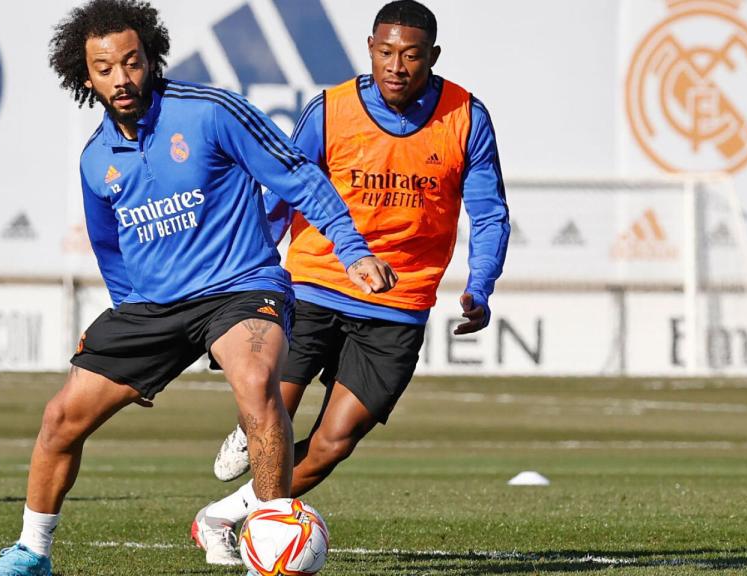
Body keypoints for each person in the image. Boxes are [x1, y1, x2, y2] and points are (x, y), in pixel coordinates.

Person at [0, 1, 397, 574]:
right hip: (154, 309)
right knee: (59, 420)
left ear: (151, 57)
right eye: (105, 68)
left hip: (240, 286)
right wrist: (136, 338)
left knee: (256, 382)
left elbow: (296, 174)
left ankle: (271, 543)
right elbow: (112, 252)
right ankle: (31, 554)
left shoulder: (211, 111)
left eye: (132, 62)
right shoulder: (96, 160)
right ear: (84, 74)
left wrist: (352, 249)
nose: (122, 78)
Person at [194, 0, 510, 564]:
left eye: (411, 56)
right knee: (270, 411)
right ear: (369, 48)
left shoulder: (467, 117)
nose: (396, 65)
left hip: (399, 305)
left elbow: (488, 214)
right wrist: (249, 274)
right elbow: (281, 190)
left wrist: (479, 286)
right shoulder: (330, 110)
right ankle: (250, 430)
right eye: (385, 52)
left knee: (332, 444)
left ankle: (225, 514)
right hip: (314, 284)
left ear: (432, 58)